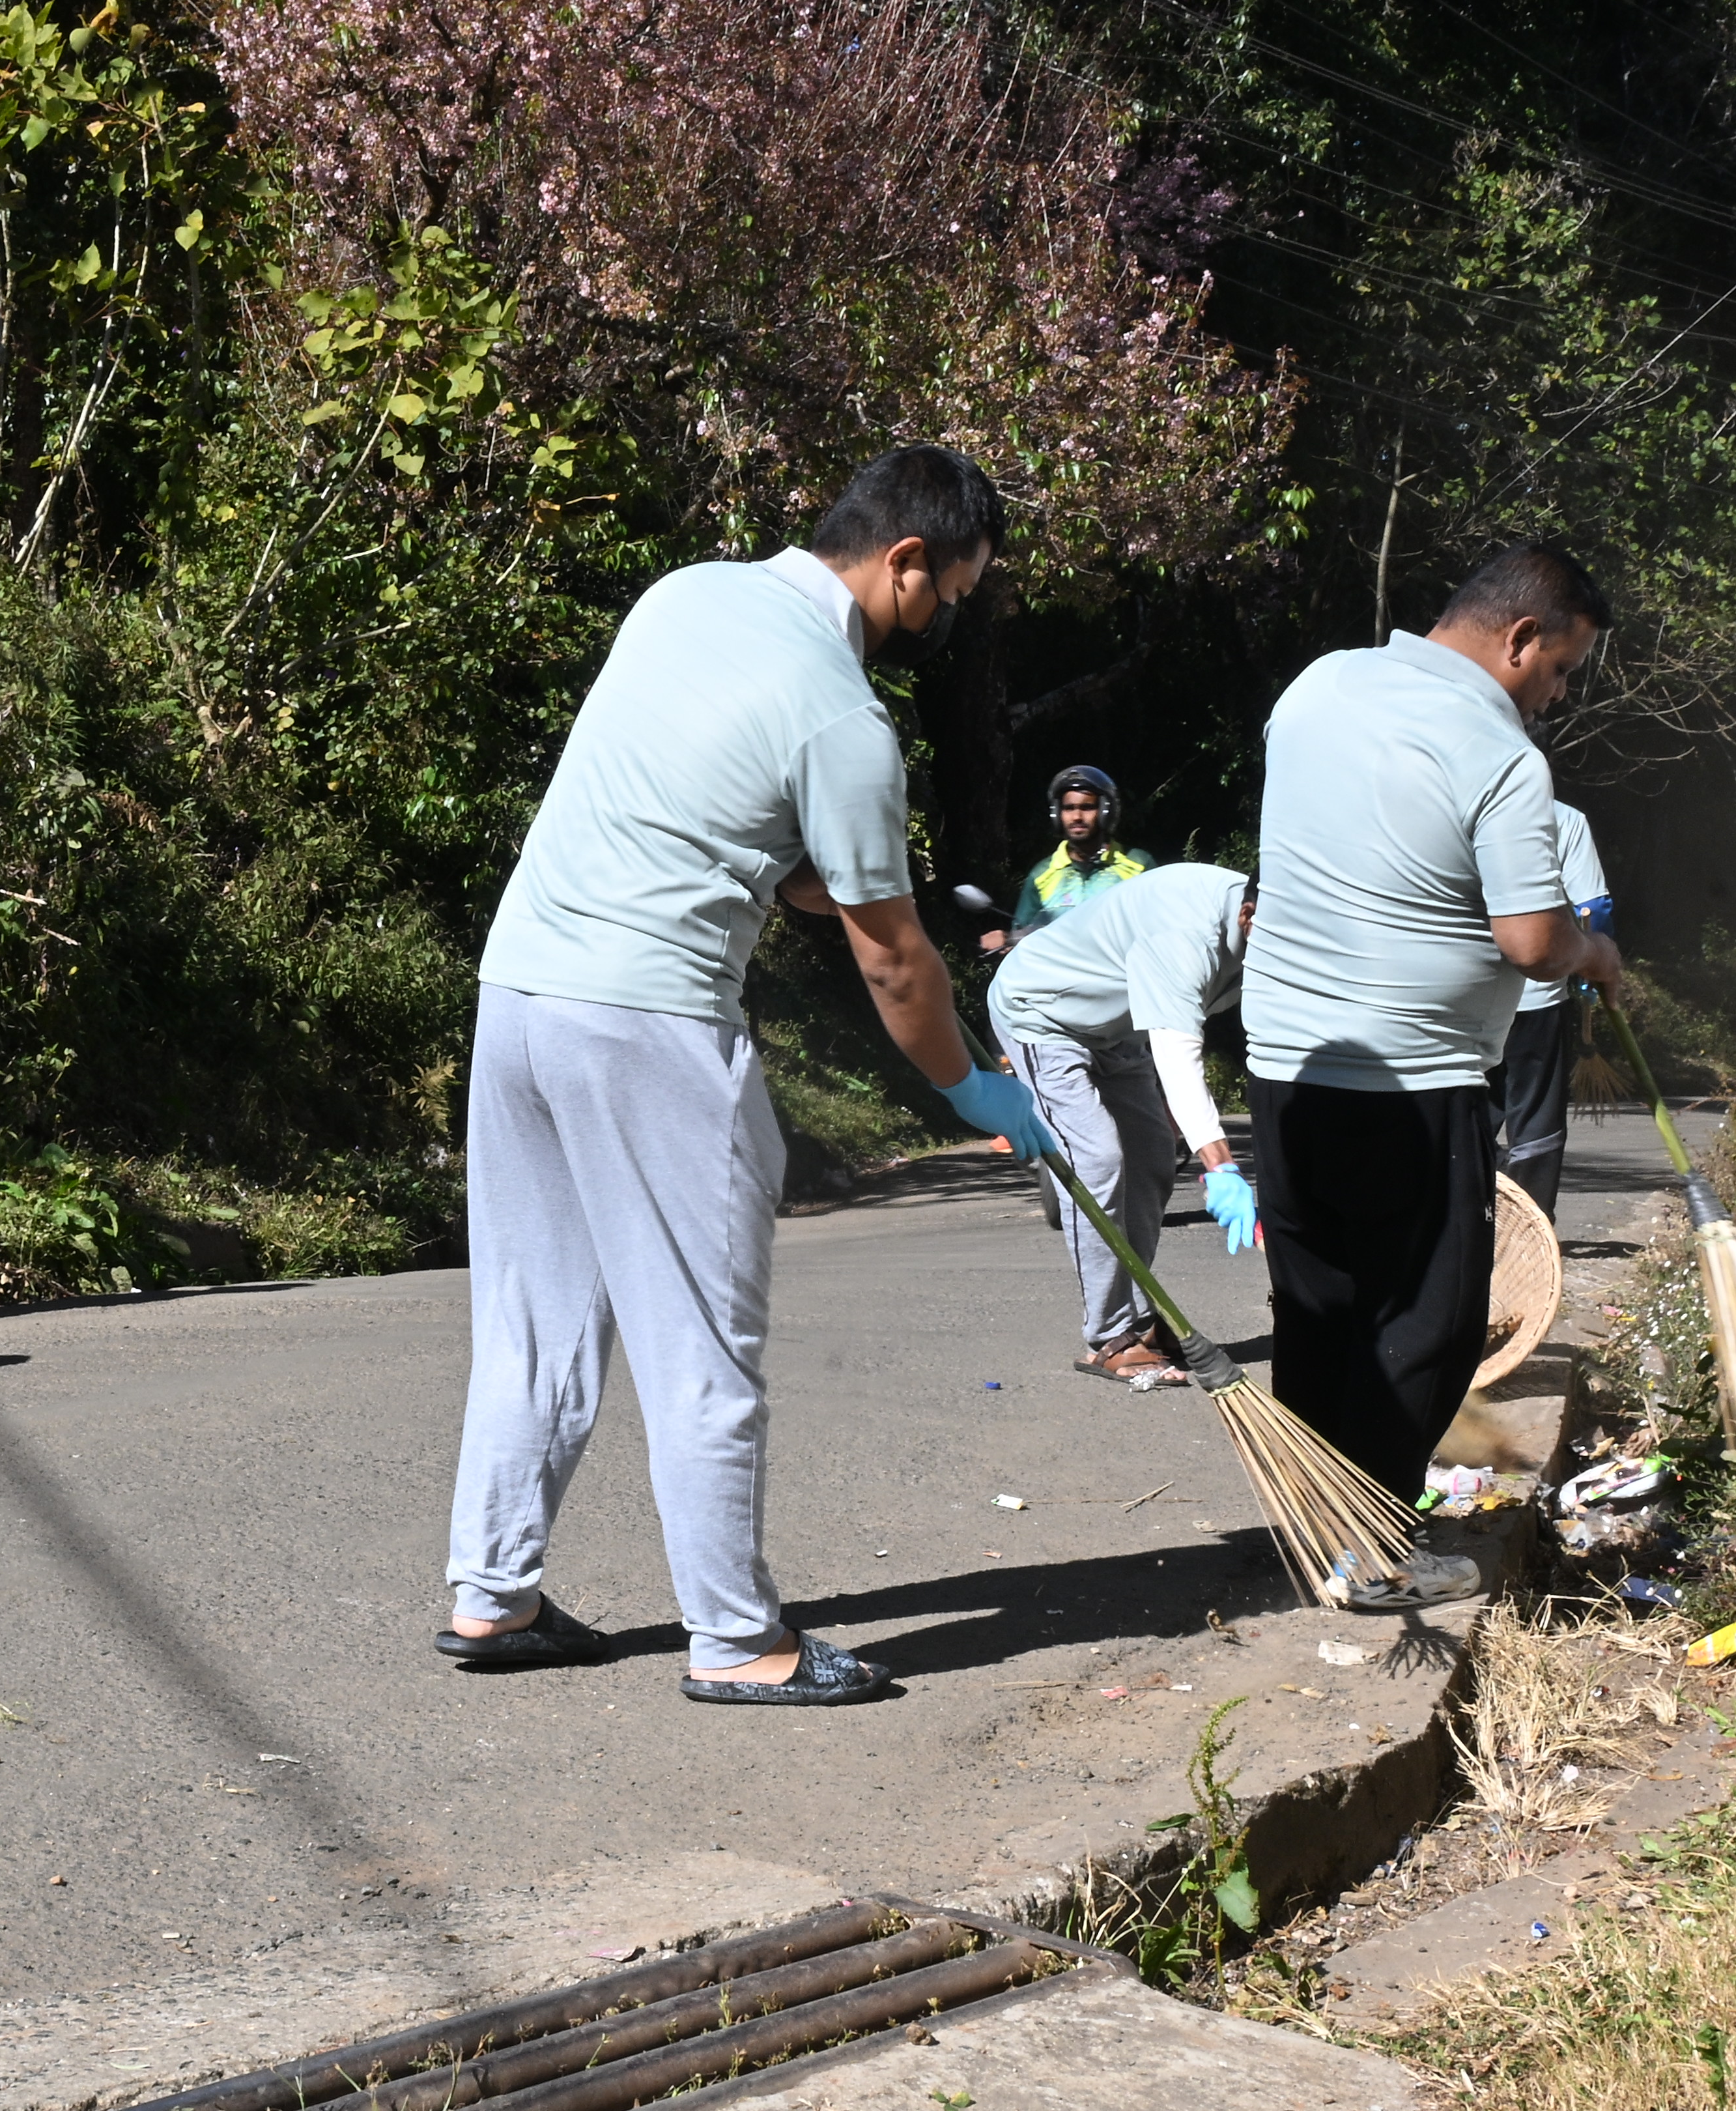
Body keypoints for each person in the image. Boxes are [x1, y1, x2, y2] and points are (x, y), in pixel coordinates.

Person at [438, 443, 1055, 1708]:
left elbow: (718, 817)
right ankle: (737, 1638)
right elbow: (896, 964)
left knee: (534, 1319)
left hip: (520, 995)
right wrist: (973, 1090)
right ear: (904, 560)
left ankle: (493, 1595)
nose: (944, 623)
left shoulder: (685, 596)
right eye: (951, 594)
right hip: (649, 1021)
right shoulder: (843, 715)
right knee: (698, 1337)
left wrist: (826, 877)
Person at [1244, 542, 1623, 1607]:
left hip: (1286, 1062)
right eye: (1558, 671)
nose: (1551, 697)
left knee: (1320, 1307)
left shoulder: (1316, 686)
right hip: (1412, 1079)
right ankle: (1368, 1553)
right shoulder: (1495, 752)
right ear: (1518, 638)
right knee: (1431, 1318)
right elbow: (1531, 939)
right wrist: (1590, 955)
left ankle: (1321, 1521)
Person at [988, 863, 1259, 1378]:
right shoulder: (1188, 935)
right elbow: (1180, 1056)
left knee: (1154, 1155)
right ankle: (1109, 1336)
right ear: (1248, 913)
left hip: (1115, 1031)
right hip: (1041, 1013)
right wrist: (1220, 1166)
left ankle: (1136, 1316)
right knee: (1097, 1159)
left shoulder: (1270, 923)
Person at [1488, 799, 1611, 1216]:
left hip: (1467, 997)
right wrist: (1594, 966)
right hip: (1537, 996)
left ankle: (1473, 1209)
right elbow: (1593, 908)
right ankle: (1531, 1222)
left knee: (1463, 1111)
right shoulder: (1565, 819)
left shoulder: (1454, 804)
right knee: (1536, 1118)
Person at [975, 766, 1152, 957]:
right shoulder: (1042, 875)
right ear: (1057, 815)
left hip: (1122, 980)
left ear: (1106, 811)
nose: (1077, 817)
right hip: (1060, 984)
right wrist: (1007, 938)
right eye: (1069, 808)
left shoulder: (1138, 866)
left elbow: (1160, 927)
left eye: (1087, 808)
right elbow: (1022, 938)